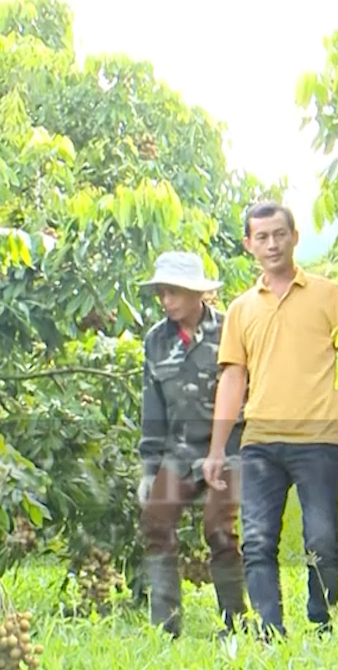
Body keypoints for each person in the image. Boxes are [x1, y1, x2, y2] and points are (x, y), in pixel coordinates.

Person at [202, 201, 338, 639]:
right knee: (257, 542)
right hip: (260, 444)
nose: (272, 244)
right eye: (262, 237)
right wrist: (216, 449)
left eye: (279, 234)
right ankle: (271, 632)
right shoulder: (241, 309)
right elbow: (233, 379)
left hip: (319, 441)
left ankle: (321, 622)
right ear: (249, 244)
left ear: (294, 237)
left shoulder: (328, 295)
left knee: (322, 540)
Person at [137, 250, 249, 638]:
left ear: (197, 293)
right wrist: (149, 470)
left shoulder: (229, 331)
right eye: (162, 293)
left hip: (229, 451)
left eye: (173, 292)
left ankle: (235, 623)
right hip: (179, 453)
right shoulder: (155, 341)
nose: (166, 300)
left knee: (218, 528)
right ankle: (165, 627)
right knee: (155, 523)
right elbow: (152, 409)